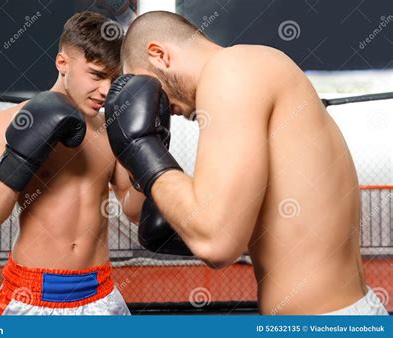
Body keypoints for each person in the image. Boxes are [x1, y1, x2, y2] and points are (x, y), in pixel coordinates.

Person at [104, 11, 389, 315]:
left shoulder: (230, 70)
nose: (158, 107)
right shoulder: (254, 72)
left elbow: (217, 243)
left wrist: (141, 144)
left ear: (159, 54)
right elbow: (242, 233)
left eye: (148, 88)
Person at [0, 11, 144, 315]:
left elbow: (134, 210)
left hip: (100, 292)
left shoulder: (111, 129)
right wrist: (22, 155)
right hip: (30, 295)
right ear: (63, 63)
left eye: (114, 80)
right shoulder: (11, 122)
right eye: (97, 75)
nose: (105, 91)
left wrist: (146, 151)